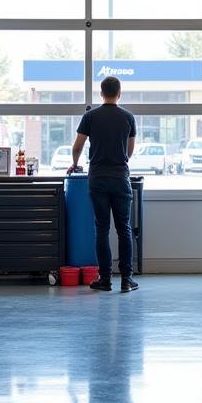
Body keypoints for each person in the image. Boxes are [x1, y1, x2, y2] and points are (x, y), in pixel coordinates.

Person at [67, 76, 139, 293]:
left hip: (97, 178)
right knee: (124, 229)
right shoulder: (128, 117)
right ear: (119, 93)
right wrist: (120, 160)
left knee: (101, 229)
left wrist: (74, 163)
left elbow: (78, 145)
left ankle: (105, 279)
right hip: (120, 177)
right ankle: (127, 280)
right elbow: (130, 150)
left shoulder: (90, 116)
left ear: (101, 93)